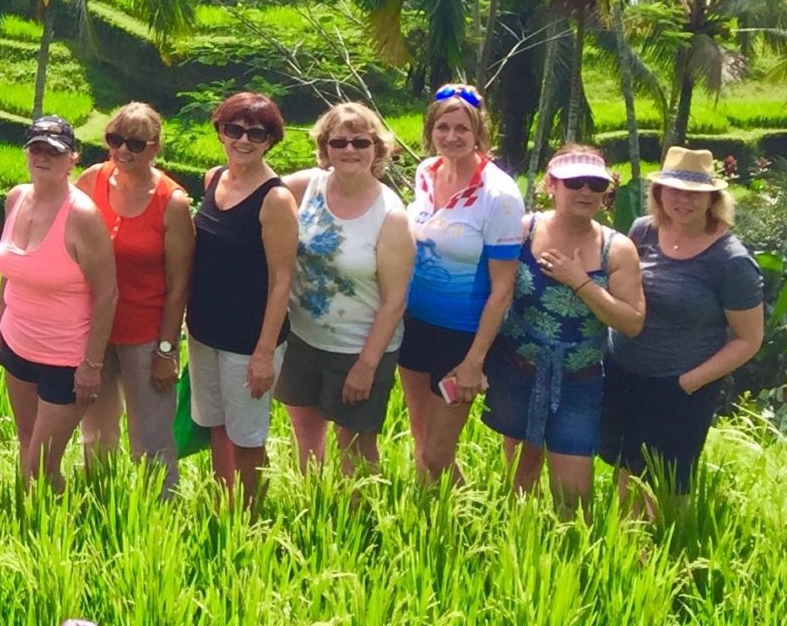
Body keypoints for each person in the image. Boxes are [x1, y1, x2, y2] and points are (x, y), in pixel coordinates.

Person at [602, 147, 765, 511]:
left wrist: (689, 381)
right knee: (626, 467)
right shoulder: (643, 231)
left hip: (681, 385)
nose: (683, 200)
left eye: (695, 193)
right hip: (624, 372)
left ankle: (672, 552)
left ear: (713, 199)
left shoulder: (731, 260)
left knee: (671, 482)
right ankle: (629, 552)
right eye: (674, 189)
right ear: (659, 193)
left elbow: (749, 339)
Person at [484, 146, 644, 512]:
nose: (585, 191)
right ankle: (518, 555)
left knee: (572, 498)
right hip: (518, 370)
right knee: (519, 483)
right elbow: (497, 292)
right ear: (551, 185)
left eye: (595, 184)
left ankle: (572, 562)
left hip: (578, 381)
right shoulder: (524, 230)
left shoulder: (616, 249)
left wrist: (581, 283)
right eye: (574, 182)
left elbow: (632, 323)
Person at [273, 102, 411, 476]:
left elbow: (395, 301)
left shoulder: (391, 215)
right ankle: (313, 506)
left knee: (355, 443)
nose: (350, 150)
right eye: (340, 142)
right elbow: (255, 189)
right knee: (305, 430)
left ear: (377, 149)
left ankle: (357, 524)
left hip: (359, 348)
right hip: (303, 337)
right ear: (325, 148)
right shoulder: (306, 186)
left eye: (360, 142)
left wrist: (366, 366)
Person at [397, 83, 523, 485]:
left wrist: (474, 361)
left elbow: (503, 288)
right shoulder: (425, 173)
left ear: (479, 133)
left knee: (437, 453)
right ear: (430, 130)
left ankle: (461, 528)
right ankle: (435, 529)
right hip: (415, 326)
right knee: (423, 442)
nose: (451, 137)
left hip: (463, 337)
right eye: (443, 128)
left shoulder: (499, 195)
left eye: (462, 130)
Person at [0, 116, 118, 489]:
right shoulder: (16, 197)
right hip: (18, 343)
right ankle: (30, 522)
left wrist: (92, 365)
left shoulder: (82, 215)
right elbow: (9, 271)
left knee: (41, 467)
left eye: (54, 151)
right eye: (37, 148)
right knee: (26, 442)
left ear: (72, 158)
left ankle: (57, 534)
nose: (43, 157)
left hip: (65, 358)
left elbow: (107, 293)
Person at [184, 92, 297, 506]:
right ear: (220, 132)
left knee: (247, 436)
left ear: (270, 140)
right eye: (234, 129)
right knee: (215, 422)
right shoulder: (215, 178)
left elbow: (282, 279)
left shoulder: (275, 199)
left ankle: (251, 513)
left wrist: (264, 352)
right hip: (204, 330)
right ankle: (222, 501)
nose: (243, 140)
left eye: (256, 133)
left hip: (249, 339)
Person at [76, 103, 189, 491]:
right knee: (95, 431)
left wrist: (166, 349)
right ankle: (99, 502)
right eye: (115, 140)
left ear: (155, 147)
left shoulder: (172, 202)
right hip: (94, 332)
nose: (123, 151)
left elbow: (178, 284)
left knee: (152, 438)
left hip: (144, 334)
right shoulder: (92, 180)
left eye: (136, 144)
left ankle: (160, 515)